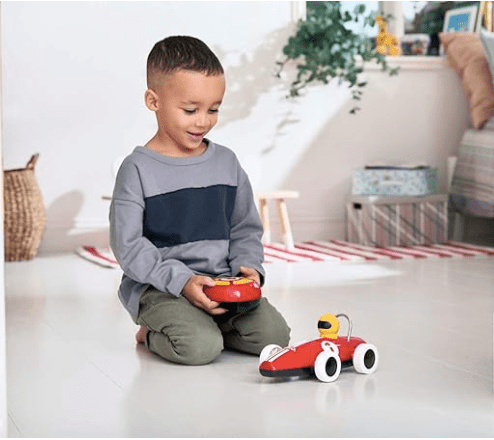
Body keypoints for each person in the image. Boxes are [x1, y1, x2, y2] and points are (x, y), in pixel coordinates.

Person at [109, 35, 291, 366]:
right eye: (190, 110)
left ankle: (209, 326)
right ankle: (150, 333)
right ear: (153, 101)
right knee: (200, 348)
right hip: (161, 287)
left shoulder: (227, 163)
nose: (203, 121)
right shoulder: (136, 169)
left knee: (274, 336)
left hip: (221, 284)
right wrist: (181, 281)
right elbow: (129, 246)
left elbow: (245, 228)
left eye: (213, 109)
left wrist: (249, 266)